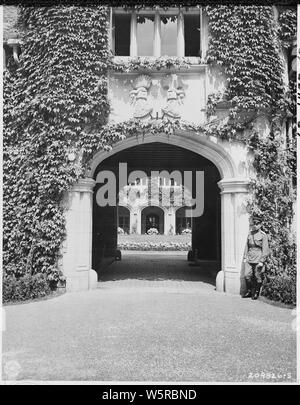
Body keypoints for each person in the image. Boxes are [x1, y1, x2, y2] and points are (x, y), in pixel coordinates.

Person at [242, 215, 270, 300]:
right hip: (249, 258)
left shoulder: (263, 235)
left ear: (261, 224)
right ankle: (249, 291)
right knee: (246, 275)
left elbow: (265, 249)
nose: (256, 225)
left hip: (258, 258)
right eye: (254, 223)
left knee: (257, 276)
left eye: (258, 223)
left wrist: (262, 261)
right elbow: (247, 246)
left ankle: (256, 293)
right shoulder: (250, 234)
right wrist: (245, 257)